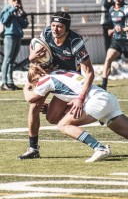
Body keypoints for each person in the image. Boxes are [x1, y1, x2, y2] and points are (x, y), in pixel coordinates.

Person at [18, 11, 95, 159]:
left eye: (59, 26)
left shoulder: (75, 41)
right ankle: (33, 149)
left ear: (67, 28)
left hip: (67, 79)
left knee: (52, 118)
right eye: (53, 25)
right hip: (49, 74)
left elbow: (89, 72)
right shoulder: (46, 33)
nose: (54, 29)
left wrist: (80, 97)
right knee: (34, 104)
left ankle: (81, 109)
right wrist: (31, 57)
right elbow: (35, 48)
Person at [0, 0, 29, 91]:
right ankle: (4, 82)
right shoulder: (7, 8)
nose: (16, 2)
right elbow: (4, 20)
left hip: (18, 36)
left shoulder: (18, 10)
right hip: (9, 36)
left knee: (12, 60)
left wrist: (23, 16)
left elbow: (24, 25)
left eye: (18, 0)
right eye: (14, 0)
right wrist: (12, 9)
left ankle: (10, 82)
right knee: (7, 59)